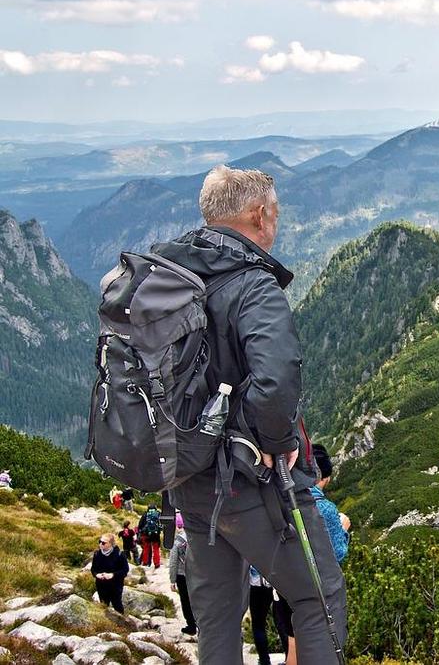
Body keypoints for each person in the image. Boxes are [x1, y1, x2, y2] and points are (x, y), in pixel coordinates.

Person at [151, 165, 346, 664]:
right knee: (317, 597)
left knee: (217, 613)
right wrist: (278, 443)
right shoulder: (254, 284)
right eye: (275, 213)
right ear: (260, 214)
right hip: (251, 482)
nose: (276, 223)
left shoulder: (171, 274)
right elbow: (276, 381)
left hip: (188, 478)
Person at [271, 444, 351, 664]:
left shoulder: (277, 500)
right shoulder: (325, 509)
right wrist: (342, 530)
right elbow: (335, 554)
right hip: (315, 596)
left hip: (282, 591)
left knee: (293, 652)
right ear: (323, 477)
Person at [168, 513, 197, 636]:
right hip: (197, 574)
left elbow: (173, 561)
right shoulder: (197, 537)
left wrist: (172, 579)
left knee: (186, 601)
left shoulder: (178, 541)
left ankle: (191, 626)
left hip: (182, 575)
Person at [90, 533, 128, 613]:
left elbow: (125, 570)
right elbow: (93, 569)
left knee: (117, 605)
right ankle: (106, 623)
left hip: (115, 585)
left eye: (103, 543)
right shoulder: (97, 554)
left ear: (111, 544)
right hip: (101, 585)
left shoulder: (119, 554)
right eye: (100, 541)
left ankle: (121, 622)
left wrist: (112, 575)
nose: (101, 544)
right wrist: (97, 575)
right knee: (104, 606)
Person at [248, 566, 275, 665]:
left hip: (255, 586)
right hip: (271, 585)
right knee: (282, 623)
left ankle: (264, 660)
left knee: (258, 625)